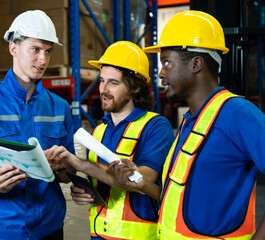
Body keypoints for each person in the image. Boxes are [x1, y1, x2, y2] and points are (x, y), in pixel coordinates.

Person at [108, 10, 265, 240]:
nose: (161, 74)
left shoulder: (236, 113)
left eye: (167, 62)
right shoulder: (191, 123)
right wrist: (139, 182)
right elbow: (179, 201)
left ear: (196, 63)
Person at [0, 10, 75, 240]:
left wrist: (63, 169)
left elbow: (68, 175)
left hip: (49, 229)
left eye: (48, 51)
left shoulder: (60, 108)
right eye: (35, 49)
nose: (43, 60)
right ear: (13, 48)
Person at [44, 41, 174, 239]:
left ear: (136, 87)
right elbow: (101, 186)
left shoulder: (156, 126)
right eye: (102, 80)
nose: (103, 89)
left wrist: (80, 164)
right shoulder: (98, 132)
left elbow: (143, 180)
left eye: (113, 82)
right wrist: (85, 192)